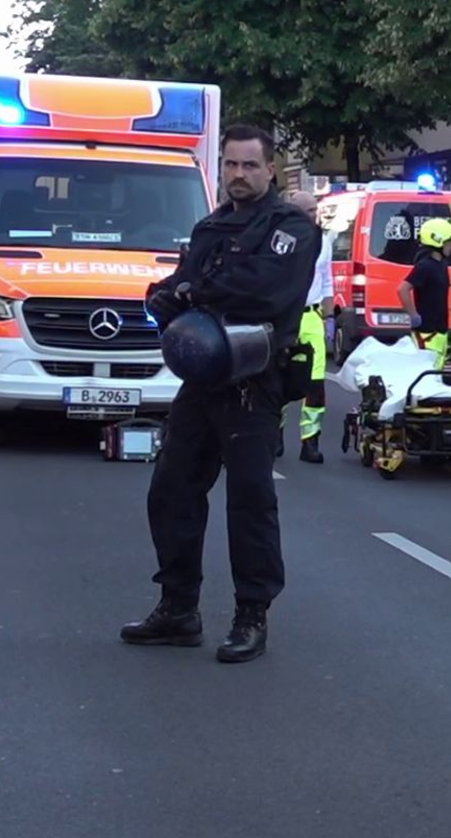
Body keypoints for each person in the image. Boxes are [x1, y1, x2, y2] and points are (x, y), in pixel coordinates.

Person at [121, 124, 319, 664]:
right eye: (230, 165)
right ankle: (178, 607)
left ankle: (252, 615)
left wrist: (193, 291)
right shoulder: (210, 225)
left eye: (250, 165)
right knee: (171, 491)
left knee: (250, 503)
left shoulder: (291, 228)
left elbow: (265, 291)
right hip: (202, 380)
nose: (238, 174)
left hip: (253, 383)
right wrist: (164, 296)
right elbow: (182, 279)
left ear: (271, 169)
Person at [285, 191, 334, 465]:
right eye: (309, 211)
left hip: (311, 315)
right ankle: (275, 436)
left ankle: (310, 441)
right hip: (286, 316)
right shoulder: (282, 239)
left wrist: (329, 317)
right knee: (279, 378)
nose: (314, 215)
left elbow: (327, 280)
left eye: (315, 210)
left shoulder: (323, 242)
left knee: (315, 383)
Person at [398, 217, 451, 368]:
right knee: (426, 376)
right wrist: (413, 315)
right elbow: (403, 289)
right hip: (426, 333)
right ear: (437, 241)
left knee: (436, 375)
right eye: (449, 242)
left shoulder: (442, 264)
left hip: (440, 332)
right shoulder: (425, 266)